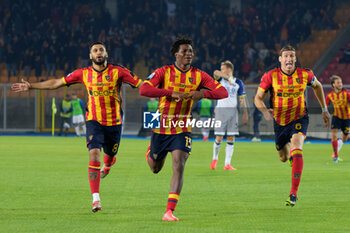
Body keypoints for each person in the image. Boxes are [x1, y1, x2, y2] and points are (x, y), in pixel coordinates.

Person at [12, 41, 142, 213]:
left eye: (101, 50)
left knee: (109, 157)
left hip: (114, 123)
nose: (98, 53)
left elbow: (141, 84)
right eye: (95, 50)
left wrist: (165, 91)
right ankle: (96, 199)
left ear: (106, 54)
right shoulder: (83, 74)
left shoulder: (118, 71)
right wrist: (31, 86)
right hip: (93, 121)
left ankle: (109, 163)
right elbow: (56, 83)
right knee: (94, 154)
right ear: (90, 56)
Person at [139, 37, 228, 221]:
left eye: (191, 51)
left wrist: (202, 93)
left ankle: (169, 211)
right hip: (161, 123)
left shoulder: (199, 75)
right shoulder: (163, 72)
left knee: (179, 164)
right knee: (155, 168)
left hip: (182, 125)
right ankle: (151, 151)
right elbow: (144, 90)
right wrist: (170, 93)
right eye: (185, 51)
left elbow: (223, 92)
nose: (189, 54)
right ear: (176, 54)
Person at [254, 44, 331, 207]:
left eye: (292, 56)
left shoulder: (305, 74)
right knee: (283, 157)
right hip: (279, 121)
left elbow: (317, 86)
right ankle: (291, 157)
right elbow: (257, 98)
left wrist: (324, 109)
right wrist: (265, 112)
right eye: (286, 56)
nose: (289, 59)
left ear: (295, 59)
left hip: (299, 118)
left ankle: (293, 193)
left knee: (297, 147)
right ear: (280, 59)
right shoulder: (271, 76)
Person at [210, 60, 248, 171]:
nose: (221, 70)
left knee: (231, 137)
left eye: (223, 69)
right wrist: (227, 78)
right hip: (221, 112)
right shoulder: (221, 80)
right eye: (221, 69)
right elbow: (215, 72)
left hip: (233, 113)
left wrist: (245, 113)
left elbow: (242, 99)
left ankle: (227, 164)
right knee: (219, 137)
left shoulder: (238, 83)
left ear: (229, 69)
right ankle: (215, 158)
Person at [325, 75, 350, 162]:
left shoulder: (347, 94)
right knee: (334, 135)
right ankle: (335, 156)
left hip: (347, 118)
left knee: (345, 138)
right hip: (336, 117)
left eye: (341, 82)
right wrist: (326, 119)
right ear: (333, 85)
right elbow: (325, 107)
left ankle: (340, 143)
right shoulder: (330, 96)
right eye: (338, 82)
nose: (340, 84)